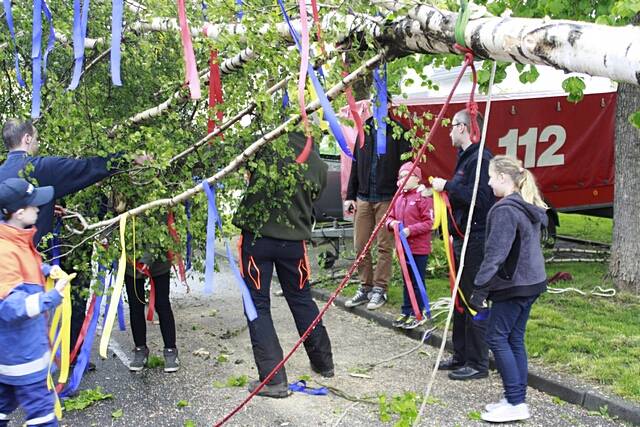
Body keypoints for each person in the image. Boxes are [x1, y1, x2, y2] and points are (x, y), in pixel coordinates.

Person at [0, 118, 145, 370]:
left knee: (12, 316)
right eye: (35, 138)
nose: (37, 143)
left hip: (6, 263)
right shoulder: (39, 168)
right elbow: (86, 168)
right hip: (31, 261)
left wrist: (46, 208)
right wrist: (129, 158)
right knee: (39, 314)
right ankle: (52, 368)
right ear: (26, 139)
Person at [233, 132, 334, 398]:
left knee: (257, 304)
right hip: (294, 242)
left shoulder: (262, 144)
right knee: (301, 298)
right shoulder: (316, 161)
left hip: (258, 240)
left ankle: (274, 379)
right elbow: (315, 195)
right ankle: (324, 363)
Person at [469, 155, 548, 423]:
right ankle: (515, 397)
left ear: (504, 178)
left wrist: (479, 289)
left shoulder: (505, 210)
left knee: (497, 338)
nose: (489, 183)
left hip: (513, 285)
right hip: (530, 282)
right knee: (514, 339)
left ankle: (515, 402)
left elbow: (495, 254)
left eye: (491, 177)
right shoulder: (527, 204)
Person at [431, 108, 496, 381]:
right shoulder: (465, 158)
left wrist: (447, 185)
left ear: (462, 128)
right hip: (460, 236)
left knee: (473, 297)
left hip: (476, 237)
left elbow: (480, 199)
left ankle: (478, 362)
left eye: (452, 126)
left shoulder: (480, 159)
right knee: (459, 297)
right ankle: (461, 354)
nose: (448, 131)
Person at [0, 178, 70, 427]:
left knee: (2, 408)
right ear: (19, 212)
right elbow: (10, 306)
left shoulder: (15, 241)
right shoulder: (5, 250)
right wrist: (50, 298)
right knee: (43, 416)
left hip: (12, 357)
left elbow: (19, 272)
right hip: (22, 358)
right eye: (34, 205)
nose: (39, 209)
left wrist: (44, 269)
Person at [344, 107, 411, 310]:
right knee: (360, 245)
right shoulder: (365, 129)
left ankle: (380, 289)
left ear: (389, 104)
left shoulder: (398, 131)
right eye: (375, 101)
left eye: (381, 100)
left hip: (387, 197)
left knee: (384, 246)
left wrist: (400, 197)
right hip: (364, 196)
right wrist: (350, 196)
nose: (378, 105)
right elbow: (355, 163)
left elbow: (405, 166)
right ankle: (365, 286)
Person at [386, 162, 434, 329]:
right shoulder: (398, 197)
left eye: (406, 176)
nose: (403, 180)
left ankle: (417, 312)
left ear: (416, 178)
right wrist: (391, 224)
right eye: (400, 176)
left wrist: (410, 230)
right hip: (403, 248)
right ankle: (406, 310)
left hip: (419, 248)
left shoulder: (423, 198)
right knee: (406, 280)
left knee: (416, 280)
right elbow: (389, 216)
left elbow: (429, 223)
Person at [124, 255, 179, 373]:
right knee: (135, 305)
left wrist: (146, 259)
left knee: (162, 303)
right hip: (131, 262)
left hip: (159, 259)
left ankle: (170, 350)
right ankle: (140, 349)